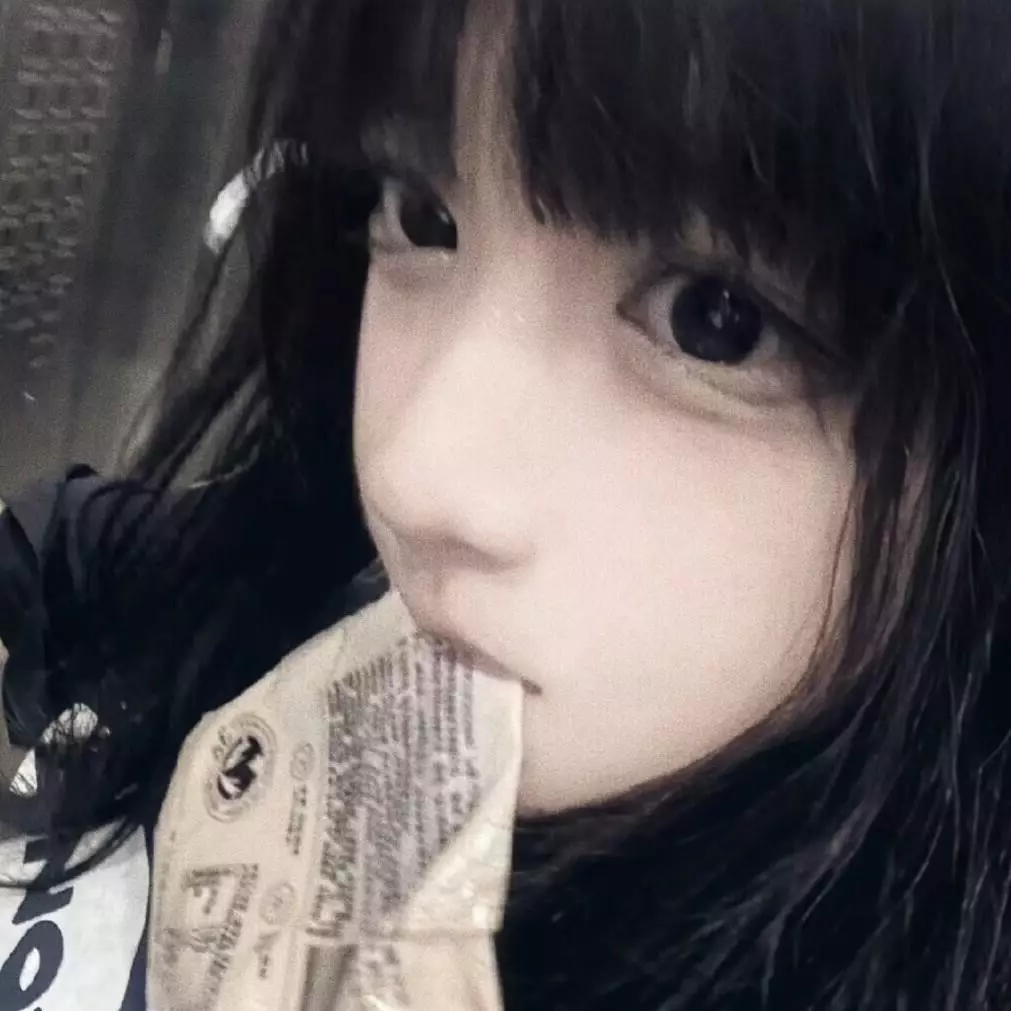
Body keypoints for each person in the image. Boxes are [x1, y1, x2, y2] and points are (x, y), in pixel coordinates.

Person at [4, 0, 1011, 1007]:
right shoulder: (324, 598)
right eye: (422, 215)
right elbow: (96, 559)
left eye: (718, 323)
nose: (413, 475)